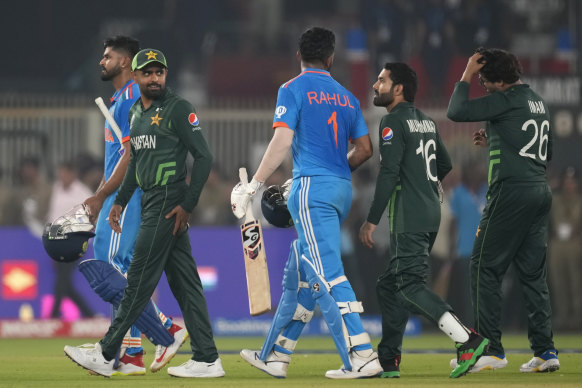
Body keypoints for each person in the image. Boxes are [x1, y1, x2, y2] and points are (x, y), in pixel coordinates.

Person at [64, 48, 224, 378]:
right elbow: (136, 162)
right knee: (185, 284)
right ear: (135, 77)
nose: (154, 78)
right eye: (147, 73)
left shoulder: (179, 109)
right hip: (150, 200)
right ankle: (208, 358)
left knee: (136, 281)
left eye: (159, 73)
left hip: (168, 203)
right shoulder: (135, 112)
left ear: (166, 75)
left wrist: (188, 203)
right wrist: (119, 202)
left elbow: (204, 157)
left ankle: (108, 352)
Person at [232, 27, 381, 379]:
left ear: (298, 56)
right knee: (301, 276)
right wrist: (332, 172)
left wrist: (254, 185)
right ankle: (276, 355)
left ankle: (361, 354)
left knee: (327, 274)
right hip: (342, 189)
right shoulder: (347, 97)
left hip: (311, 189)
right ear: (331, 58)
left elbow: (283, 140)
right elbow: (365, 150)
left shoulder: (292, 88)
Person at [359, 62, 488, 379]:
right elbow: (444, 163)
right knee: (388, 286)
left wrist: (371, 220)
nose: (376, 85)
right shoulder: (427, 122)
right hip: (430, 212)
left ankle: (467, 340)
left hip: (409, 215)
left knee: (409, 286)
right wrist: (423, 185)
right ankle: (388, 360)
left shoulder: (391, 122)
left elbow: (389, 173)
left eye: (382, 80)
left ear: (398, 88)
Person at [77, 36, 187, 376]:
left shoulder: (128, 99)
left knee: (108, 267)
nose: (101, 61)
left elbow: (131, 154)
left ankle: (166, 330)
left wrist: (101, 196)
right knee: (124, 270)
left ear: (125, 62)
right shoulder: (126, 99)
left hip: (126, 194)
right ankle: (131, 353)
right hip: (139, 193)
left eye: (107, 56)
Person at [447, 47, 559, 373]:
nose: (482, 85)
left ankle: (490, 350)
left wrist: (466, 72)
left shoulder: (505, 99)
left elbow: (455, 110)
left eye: (484, 80)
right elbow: (545, 150)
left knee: (482, 265)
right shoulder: (537, 102)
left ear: (497, 79)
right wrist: (497, 135)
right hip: (539, 191)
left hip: (510, 193)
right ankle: (545, 351)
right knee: (533, 275)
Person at [47, 162, 95, 319]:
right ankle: (90, 315)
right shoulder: (57, 189)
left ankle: (53, 316)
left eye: (64, 174)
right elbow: (53, 216)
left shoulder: (82, 192)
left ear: (72, 174)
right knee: (64, 284)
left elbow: (92, 214)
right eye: (60, 174)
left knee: (62, 280)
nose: (62, 177)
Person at [549, 166, 582, 331]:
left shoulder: (580, 201)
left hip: (575, 245)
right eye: (566, 182)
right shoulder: (555, 200)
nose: (569, 185)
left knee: (576, 283)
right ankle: (562, 319)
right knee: (558, 283)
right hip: (557, 245)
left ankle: (577, 319)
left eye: (572, 182)